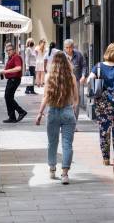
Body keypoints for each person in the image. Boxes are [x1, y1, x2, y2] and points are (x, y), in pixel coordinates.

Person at [35, 52, 79, 185]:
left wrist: (39, 114)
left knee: (52, 143)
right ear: (66, 62)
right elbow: (76, 99)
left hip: (53, 112)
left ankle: (52, 168)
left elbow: (45, 97)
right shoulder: (71, 77)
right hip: (67, 112)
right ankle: (65, 174)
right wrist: (71, 110)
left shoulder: (49, 77)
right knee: (67, 144)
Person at [85, 42, 114, 165]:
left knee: (104, 130)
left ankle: (105, 158)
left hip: (102, 102)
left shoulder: (98, 67)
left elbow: (89, 80)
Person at [1, 43, 27, 123]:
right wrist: (3, 72)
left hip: (14, 79)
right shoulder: (10, 57)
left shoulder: (16, 57)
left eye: (10, 50)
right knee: (8, 97)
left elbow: (19, 68)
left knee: (8, 97)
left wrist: (6, 71)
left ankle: (21, 112)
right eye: (7, 50)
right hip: (11, 79)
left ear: (14, 50)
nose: (8, 52)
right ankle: (12, 117)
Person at [63, 39, 87, 121]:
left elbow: (84, 66)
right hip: (64, 81)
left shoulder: (79, 55)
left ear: (73, 47)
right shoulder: (62, 56)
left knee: (76, 100)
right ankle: (66, 121)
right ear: (64, 48)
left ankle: (74, 122)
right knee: (66, 100)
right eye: (67, 48)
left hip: (76, 80)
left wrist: (83, 76)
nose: (69, 49)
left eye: (70, 47)